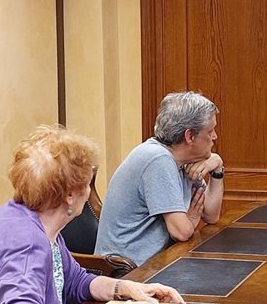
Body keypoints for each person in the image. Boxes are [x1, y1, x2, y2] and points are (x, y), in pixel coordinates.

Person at [0, 126, 185, 304]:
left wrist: (124, 288)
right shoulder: (26, 241)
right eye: (87, 183)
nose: (89, 191)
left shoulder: (40, 223)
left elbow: (73, 282)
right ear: (69, 196)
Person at [95, 91, 224, 265]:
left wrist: (217, 167)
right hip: (125, 273)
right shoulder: (157, 159)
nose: (214, 136)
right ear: (190, 136)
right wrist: (192, 220)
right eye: (210, 131)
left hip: (154, 265)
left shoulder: (183, 160)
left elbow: (211, 215)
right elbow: (181, 232)